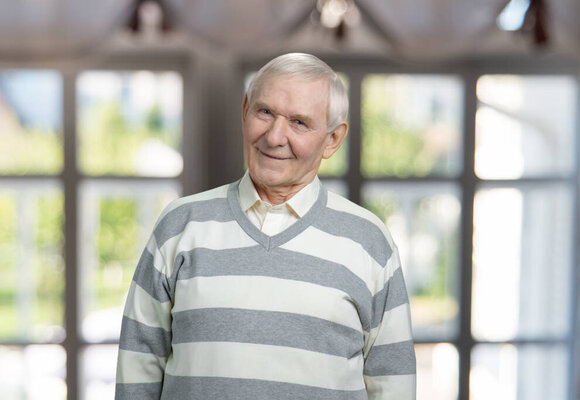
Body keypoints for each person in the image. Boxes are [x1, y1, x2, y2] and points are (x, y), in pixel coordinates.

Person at [115, 53, 416, 399]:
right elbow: (139, 364)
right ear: (245, 110)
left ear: (333, 139)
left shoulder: (369, 242)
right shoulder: (179, 226)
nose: (275, 137)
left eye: (299, 123)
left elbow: (393, 383)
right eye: (265, 112)